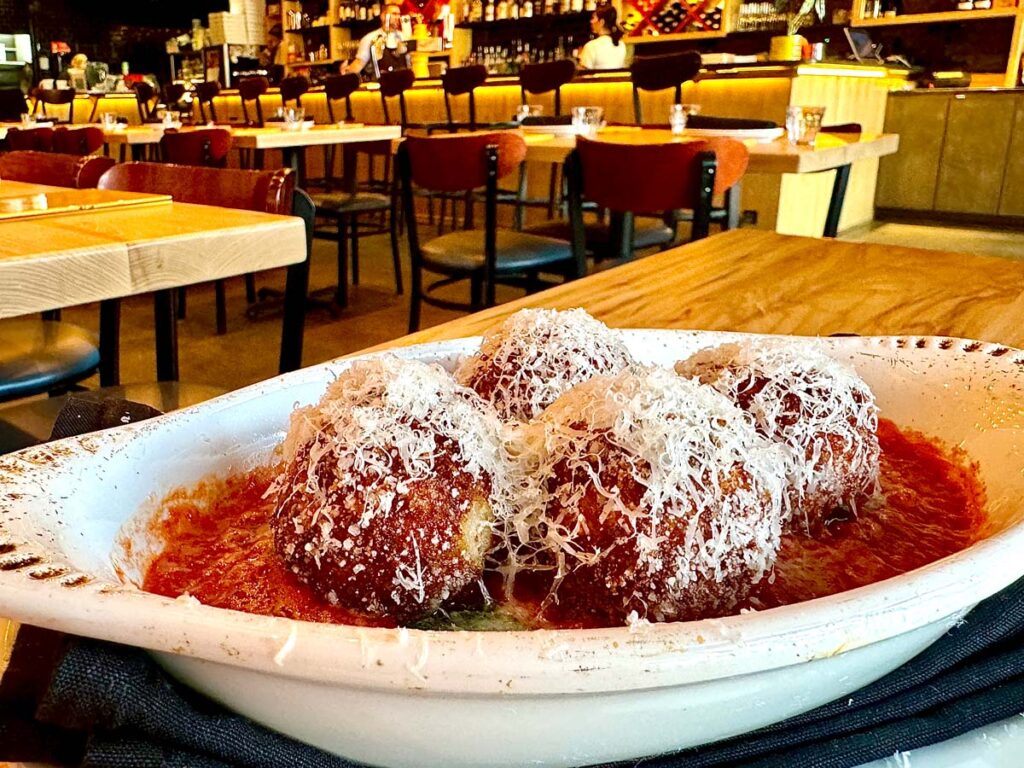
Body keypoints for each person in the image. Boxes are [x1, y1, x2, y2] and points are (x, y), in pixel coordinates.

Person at [344, 3, 408, 78]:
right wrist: (346, 75)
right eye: (394, 14)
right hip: (380, 85)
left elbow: (411, 63)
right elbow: (359, 63)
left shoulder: (404, 37)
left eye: (399, 14)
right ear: (383, 16)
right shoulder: (370, 38)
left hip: (403, 84)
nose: (398, 17)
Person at [579, 3, 626, 71]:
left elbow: (583, 74)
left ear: (601, 22)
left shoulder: (591, 46)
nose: (591, 21)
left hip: (597, 81)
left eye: (593, 18)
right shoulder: (621, 45)